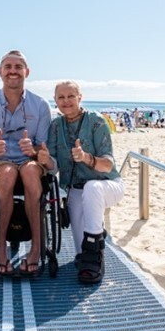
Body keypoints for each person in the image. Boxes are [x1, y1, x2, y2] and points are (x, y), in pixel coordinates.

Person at [0, 50, 51, 276]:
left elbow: (43, 149)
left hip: (30, 162)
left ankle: (36, 249)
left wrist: (33, 150)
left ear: (27, 72)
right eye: (8, 67)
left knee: (28, 173)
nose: (13, 71)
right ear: (0, 72)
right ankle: (0, 249)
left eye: (18, 67)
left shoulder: (41, 105)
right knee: (7, 173)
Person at [39, 81, 124, 284]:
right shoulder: (55, 126)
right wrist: (46, 160)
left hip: (106, 184)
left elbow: (108, 164)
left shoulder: (97, 121)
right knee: (80, 254)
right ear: (56, 100)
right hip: (75, 188)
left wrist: (87, 158)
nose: (66, 101)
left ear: (80, 97)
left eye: (71, 96)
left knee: (92, 187)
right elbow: (54, 168)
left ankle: (95, 250)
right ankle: (93, 240)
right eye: (61, 97)